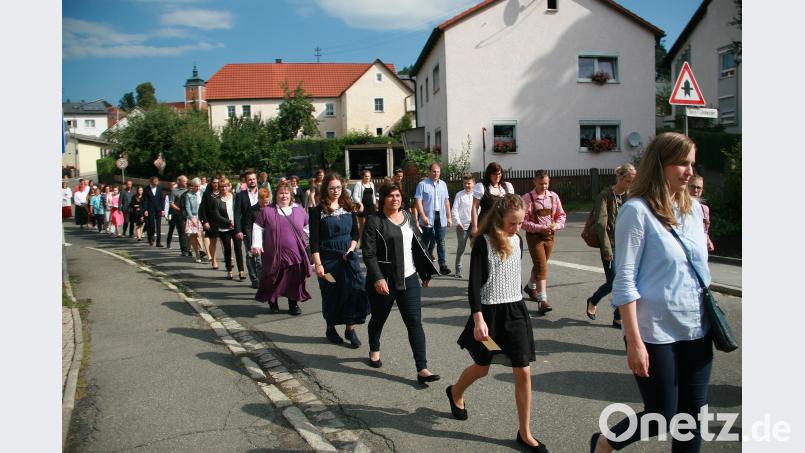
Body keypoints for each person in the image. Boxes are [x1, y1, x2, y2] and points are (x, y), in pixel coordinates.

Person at [590, 132, 712, 453]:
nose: (689, 171)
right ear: (661, 164)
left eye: (692, 164)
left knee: (692, 419)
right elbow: (624, 280)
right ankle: (606, 441)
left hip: (698, 331)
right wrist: (633, 340)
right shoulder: (637, 211)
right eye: (681, 163)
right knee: (662, 415)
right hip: (655, 334)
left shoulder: (695, 212)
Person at [447, 193, 547, 453]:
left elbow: (513, 278)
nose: (517, 228)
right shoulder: (483, 242)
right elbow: (473, 287)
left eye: (520, 222)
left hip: (515, 313)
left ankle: (524, 432)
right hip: (489, 316)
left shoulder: (519, 240)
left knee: (523, 370)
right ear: (499, 217)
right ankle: (455, 392)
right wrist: (478, 318)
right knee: (482, 368)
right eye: (512, 223)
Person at [362, 182, 441, 384]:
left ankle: (422, 368)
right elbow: (369, 254)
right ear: (382, 199)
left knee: (414, 322)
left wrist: (425, 272)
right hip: (384, 281)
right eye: (390, 196)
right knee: (379, 318)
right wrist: (378, 278)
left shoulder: (407, 216)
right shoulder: (374, 221)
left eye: (398, 195)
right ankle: (374, 347)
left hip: (409, 279)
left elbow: (418, 246)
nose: (395, 199)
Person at [309, 173, 369, 348]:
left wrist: (352, 247)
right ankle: (330, 327)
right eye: (332, 188)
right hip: (327, 260)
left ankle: (350, 328)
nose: (336, 191)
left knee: (356, 289)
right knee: (331, 292)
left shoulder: (348, 206)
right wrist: (318, 264)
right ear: (325, 189)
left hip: (348, 258)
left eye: (338, 187)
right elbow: (314, 241)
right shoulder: (317, 210)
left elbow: (355, 233)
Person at [586, 164, 637, 326]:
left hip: (627, 245)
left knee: (624, 280)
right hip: (610, 244)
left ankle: (618, 316)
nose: (630, 185)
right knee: (614, 281)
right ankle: (593, 300)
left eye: (632, 182)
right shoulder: (605, 195)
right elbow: (601, 224)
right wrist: (607, 248)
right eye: (628, 181)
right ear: (620, 178)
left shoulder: (630, 196)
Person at [251, 181, 312, 314]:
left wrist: (306, 242)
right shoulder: (267, 211)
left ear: (291, 195)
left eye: (286, 193)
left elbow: (307, 227)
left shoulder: (299, 209)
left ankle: (293, 305)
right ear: (276, 195)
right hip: (272, 255)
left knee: (294, 279)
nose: (284, 196)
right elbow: (257, 227)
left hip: (294, 254)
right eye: (281, 193)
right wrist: (256, 244)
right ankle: (273, 302)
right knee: (273, 278)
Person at [522, 170, 566, 315]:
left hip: (550, 236)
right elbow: (522, 222)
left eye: (546, 183)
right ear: (534, 182)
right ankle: (542, 300)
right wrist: (540, 227)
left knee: (540, 264)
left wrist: (556, 226)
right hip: (534, 237)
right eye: (541, 184)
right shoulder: (527, 199)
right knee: (541, 265)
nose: (544, 186)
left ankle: (530, 287)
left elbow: (561, 215)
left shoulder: (554, 197)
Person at [415, 162, 452, 275]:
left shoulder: (443, 184)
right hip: (428, 217)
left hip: (440, 216)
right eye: (434, 171)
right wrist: (423, 215)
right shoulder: (422, 184)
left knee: (441, 241)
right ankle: (423, 266)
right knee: (425, 242)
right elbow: (418, 201)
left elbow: (446, 201)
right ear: (429, 172)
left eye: (438, 171)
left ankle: (442, 266)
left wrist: (449, 217)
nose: (436, 173)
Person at [209, 177, 245, 280]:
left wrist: (236, 223)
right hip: (224, 228)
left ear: (229, 186)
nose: (224, 188)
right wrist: (229, 222)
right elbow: (216, 215)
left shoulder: (235, 197)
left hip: (236, 227)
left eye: (225, 186)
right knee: (227, 249)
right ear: (219, 188)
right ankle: (229, 270)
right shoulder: (216, 200)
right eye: (221, 187)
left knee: (238, 249)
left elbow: (239, 211)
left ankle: (241, 271)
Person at [470, 162, 515, 237]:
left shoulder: (507, 186)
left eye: (499, 174)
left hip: (503, 223)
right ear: (489, 174)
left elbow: (512, 206)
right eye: (494, 174)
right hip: (486, 223)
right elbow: (475, 207)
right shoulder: (481, 187)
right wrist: (474, 227)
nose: (497, 176)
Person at [235, 170, 261, 288]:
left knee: (261, 256)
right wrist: (238, 230)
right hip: (247, 229)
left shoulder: (263, 192)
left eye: (254, 179)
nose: (252, 181)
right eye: (249, 179)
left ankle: (262, 278)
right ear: (246, 181)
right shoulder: (241, 195)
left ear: (257, 179)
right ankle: (254, 278)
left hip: (262, 228)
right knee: (250, 255)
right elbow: (237, 213)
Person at [451, 174, 476, 279]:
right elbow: (455, 209)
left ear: (473, 183)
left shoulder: (477, 195)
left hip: (474, 225)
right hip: (463, 226)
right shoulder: (459, 195)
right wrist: (458, 222)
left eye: (469, 183)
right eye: (465, 183)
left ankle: (476, 270)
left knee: (476, 249)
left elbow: (479, 209)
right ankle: (458, 270)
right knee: (461, 249)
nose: (467, 185)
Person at [688, 175, 715, 252]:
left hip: (699, 250)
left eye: (699, 188)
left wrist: (708, 240)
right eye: (692, 187)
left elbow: (704, 230)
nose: (695, 190)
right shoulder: (678, 206)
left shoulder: (704, 209)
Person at [199, 177, 221, 269]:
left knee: (226, 242)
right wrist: (205, 221)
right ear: (211, 183)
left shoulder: (223, 193)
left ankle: (228, 260)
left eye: (217, 182)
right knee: (213, 241)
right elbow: (202, 209)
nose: (216, 184)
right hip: (211, 221)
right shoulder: (207, 194)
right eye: (214, 182)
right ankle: (214, 260)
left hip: (223, 221)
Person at [166, 176, 189, 256]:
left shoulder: (188, 190)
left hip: (188, 214)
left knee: (190, 233)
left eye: (186, 181)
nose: (186, 183)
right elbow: (171, 203)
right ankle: (184, 250)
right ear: (179, 182)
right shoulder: (174, 191)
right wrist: (179, 209)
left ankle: (189, 248)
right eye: (184, 181)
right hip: (178, 214)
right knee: (182, 232)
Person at [351, 169, 377, 239]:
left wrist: (375, 204)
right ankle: (361, 241)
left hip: (371, 207)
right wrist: (360, 204)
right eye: (366, 176)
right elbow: (354, 196)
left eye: (369, 176)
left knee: (370, 224)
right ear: (362, 176)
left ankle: (369, 239)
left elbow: (373, 195)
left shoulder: (371, 184)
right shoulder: (359, 184)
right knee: (362, 225)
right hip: (363, 207)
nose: (367, 178)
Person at [183, 178, 205, 262]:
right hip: (192, 217)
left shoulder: (202, 194)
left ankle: (202, 249)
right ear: (192, 186)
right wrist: (191, 217)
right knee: (193, 237)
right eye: (196, 186)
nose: (197, 188)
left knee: (200, 234)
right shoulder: (189, 195)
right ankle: (197, 254)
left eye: (199, 186)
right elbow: (187, 207)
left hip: (201, 217)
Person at [142, 176, 164, 247]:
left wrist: (162, 209)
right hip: (150, 209)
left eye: (157, 182)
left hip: (158, 209)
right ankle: (151, 237)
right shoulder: (146, 189)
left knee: (158, 226)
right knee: (151, 225)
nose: (156, 184)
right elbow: (145, 200)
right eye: (154, 182)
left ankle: (158, 242)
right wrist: (145, 209)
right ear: (151, 182)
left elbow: (161, 199)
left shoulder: (160, 188)